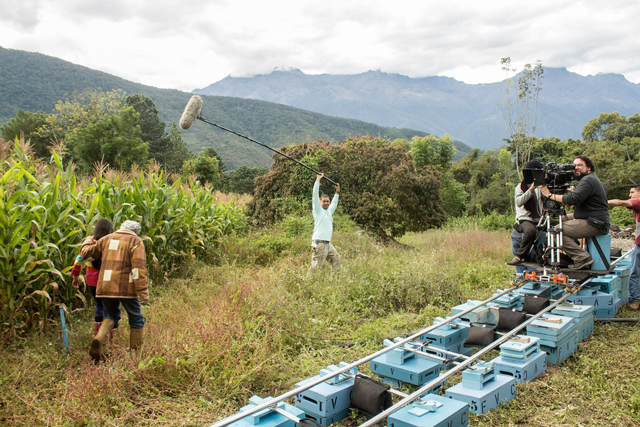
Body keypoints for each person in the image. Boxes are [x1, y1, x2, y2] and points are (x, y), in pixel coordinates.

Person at [81, 220, 149, 362]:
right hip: (126, 288)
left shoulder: (106, 238)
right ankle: (135, 355)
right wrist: (143, 292)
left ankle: (98, 338)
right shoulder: (135, 241)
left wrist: (88, 239)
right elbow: (138, 269)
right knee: (136, 318)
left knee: (111, 314)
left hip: (105, 286)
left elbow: (86, 254)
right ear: (136, 231)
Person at [540, 155, 610, 270]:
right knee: (555, 222)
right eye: (574, 165)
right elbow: (577, 200)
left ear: (589, 168)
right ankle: (573, 245)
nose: (576, 168)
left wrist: (549, 195)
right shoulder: (589, 179)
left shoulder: (588, 180)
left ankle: (582, 258)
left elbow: (573, 199)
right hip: (589, 217)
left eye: (580, 165)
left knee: (555, 231)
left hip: (595, 222)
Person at [71, 218, 114, 335]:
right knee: (110, 310)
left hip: (91, 282)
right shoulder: (109, 245)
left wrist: (75, 277)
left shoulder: (89, 246)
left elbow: (78, 260)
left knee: (99, 306)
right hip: (106, 282)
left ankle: (97, 332)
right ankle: (108, 337)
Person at [608, 185, 640, 310]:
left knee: (636, 272)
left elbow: (620, 202)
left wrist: (599, 201)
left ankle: (635, 300)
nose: (630, 195)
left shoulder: (638, 201)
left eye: (632, 192)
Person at [508, 160, 544, 268]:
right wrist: (531, 190)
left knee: (559, 226)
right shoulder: (520, 187)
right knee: (530, 230)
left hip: (539, 220)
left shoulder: (542, 188)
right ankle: (519, 256)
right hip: (524, 220)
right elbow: (519, 202)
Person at [311, 174, 341, 272]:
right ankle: (308, 283)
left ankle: (335, 281)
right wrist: (318, 180)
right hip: (319, 243)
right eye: (324, 201)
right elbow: (315, 195)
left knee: (336, 259)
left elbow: (334, 203)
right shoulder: (318, 210)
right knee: (316, 267)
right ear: (320, 202)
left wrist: (337, 192)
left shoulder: (328, 212)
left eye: (327, 201)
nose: (326, 203)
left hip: (328, 244)